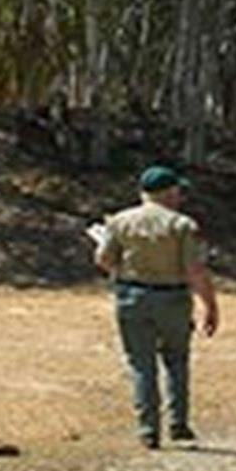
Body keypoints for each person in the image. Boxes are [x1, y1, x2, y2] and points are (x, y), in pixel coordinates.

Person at [94, 165, 219, 449]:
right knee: (176, 360)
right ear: (169, 192)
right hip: (173, 298)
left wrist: (124, 267)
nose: (180, 196)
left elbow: (103, 260)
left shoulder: (120, 222)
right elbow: (195, 270)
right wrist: (210, 305)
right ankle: (178, 424)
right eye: (177, 191)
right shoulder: (182, 225)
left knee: (141, 365)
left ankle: (148, 429)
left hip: (132, 296)